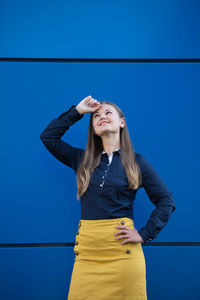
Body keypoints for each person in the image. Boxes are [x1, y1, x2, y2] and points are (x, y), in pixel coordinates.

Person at [40, 95, 176, 300]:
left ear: (122, 122)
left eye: (108, 112)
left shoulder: (137, 162)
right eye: (96, 116)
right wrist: (77, 111)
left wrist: (145, 234)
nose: (101, 116)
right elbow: (48, 138)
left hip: (123, 256)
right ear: (93, 128)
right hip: (87, 256)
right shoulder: (81, 159)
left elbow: (166, 201)